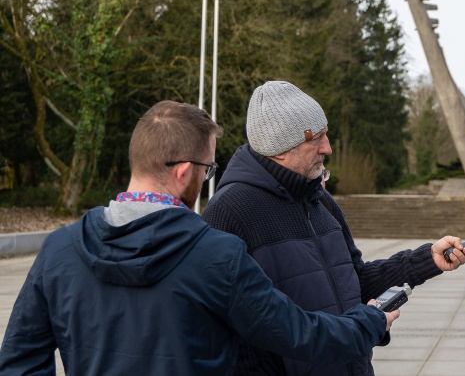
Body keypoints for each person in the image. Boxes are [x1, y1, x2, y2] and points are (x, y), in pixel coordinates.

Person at [0, 101, 397, 376]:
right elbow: (302, 336)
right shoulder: (216, 255)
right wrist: (370, 319)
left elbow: (18, 361)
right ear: (183, 172)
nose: (208, 179)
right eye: (207, 170)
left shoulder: (58, 250)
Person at [202, 81, 465, 376]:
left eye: (326, 134)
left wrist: (425, 261)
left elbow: (354, 282)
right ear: (279, 147)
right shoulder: (228, 213)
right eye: (316, 139)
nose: (327, 148)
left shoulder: (322, 203)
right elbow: (219, 330)